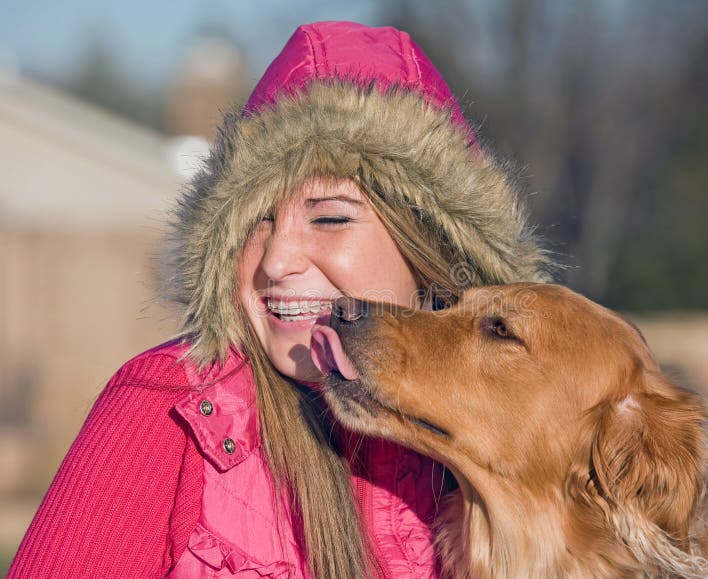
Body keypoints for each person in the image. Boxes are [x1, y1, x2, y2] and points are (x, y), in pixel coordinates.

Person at [9, 20, 552, 578]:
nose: (274, 261)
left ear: (429, 246)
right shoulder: (167, 411)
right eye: (257, 223)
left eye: (331, 218)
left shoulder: (511, 433)